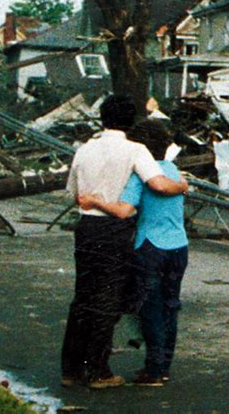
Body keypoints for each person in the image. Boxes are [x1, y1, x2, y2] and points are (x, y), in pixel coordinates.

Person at [61, 95, 188, 390]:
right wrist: (182, 186)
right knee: (108, 298)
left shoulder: (84, 149)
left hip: (87, 226)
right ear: (131, 121)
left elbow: (73, 191)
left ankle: (71, 368)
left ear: (102, 119)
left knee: (83, 296)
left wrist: (93, 198)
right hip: (115, 227)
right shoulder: (135, 149)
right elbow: (157, 183)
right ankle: (97, 369)